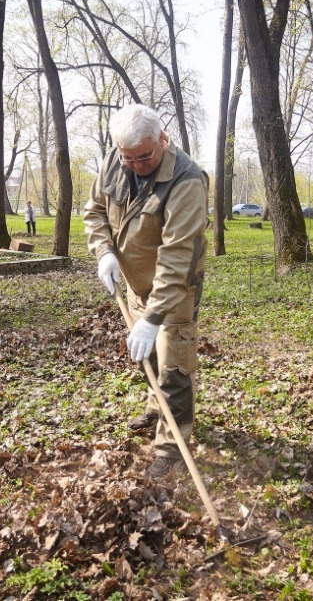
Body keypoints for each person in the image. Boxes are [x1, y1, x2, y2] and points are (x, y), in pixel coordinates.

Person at [84, 104, 209, 480]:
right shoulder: (114, 161)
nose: (135, 165)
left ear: (162, 139)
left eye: (144, 157)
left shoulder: (186, 180)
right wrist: (104, 252)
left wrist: (154, 317)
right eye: (128, 158)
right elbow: (94, 211)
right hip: (135, 284)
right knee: (148, 359)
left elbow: (177, 256)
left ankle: (171, 447)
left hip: (174, 291)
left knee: (174, 367)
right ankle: (159, 410)